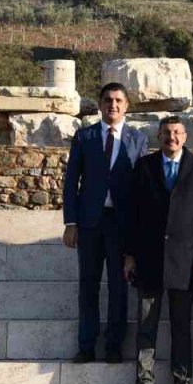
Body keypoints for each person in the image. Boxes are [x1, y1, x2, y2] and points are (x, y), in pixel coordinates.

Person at [124, 116, 193, 384]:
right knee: (146, 327)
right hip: (149, 260)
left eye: (176, 133)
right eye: (166, 133)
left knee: (181, 328)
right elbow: (133, 214)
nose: (171, 138)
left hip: (184, 262)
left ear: (185, 136)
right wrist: (129, 255)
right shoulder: (144, 167)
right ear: (158, 137)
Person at [61, 83, 148, 364]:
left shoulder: (138, 139)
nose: (113, 105)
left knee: (118, 286)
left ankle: (113, 345)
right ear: (100, 104)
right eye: (108, 100)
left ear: (126, 106)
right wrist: (71, 222)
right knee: (88, 284)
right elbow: (72, 180)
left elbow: (142, 187)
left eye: (119, 100)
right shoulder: (84, 137)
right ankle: (86, 345)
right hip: (89, 222)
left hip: (121, 224)